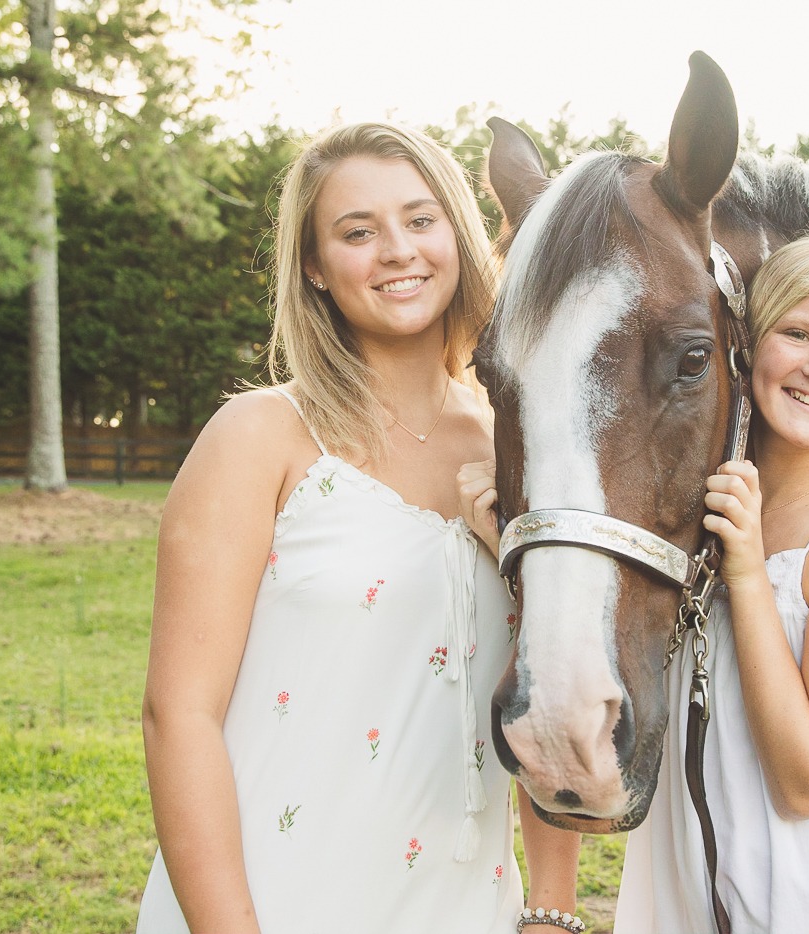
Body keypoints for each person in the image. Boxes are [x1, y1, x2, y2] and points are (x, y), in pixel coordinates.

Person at [136, 122, 579, 934]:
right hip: (273, 895)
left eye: (420, 220)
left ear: (458, 233)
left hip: (466, 907)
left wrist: (551, 910)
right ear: (313, 265)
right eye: (356, 231)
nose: (396, 251)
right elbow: (179, 716)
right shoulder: (258, 436)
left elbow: (547, 694)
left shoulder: (515, 448)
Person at [615, 228, 809, 933]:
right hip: (687, 887)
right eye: (797, 333)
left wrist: (749, 573)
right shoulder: (684, 507)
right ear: (746, 342)